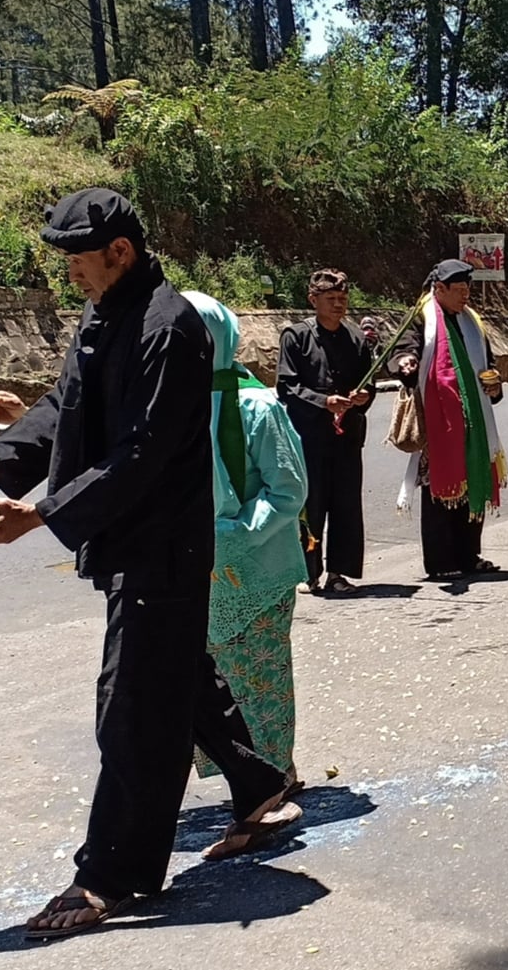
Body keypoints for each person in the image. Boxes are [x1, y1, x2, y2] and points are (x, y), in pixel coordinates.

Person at [0, 188, 301, 940]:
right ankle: (259, 784)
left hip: (163, 544)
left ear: (120, 252)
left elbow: (144, 453)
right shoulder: (106, 316)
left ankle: (110, 874)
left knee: (130, 705)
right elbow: (62, 408)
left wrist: (38, 514)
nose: (72, 276)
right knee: (173, 677)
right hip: (129, 540)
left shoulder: (170, 327)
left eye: (78, 262)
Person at [185, 291, 310, 787]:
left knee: (261, 681)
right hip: (201, 566)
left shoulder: (257, 407)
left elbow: (288, 489)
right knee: (217, 680)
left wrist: (236, 535)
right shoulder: (175, 407)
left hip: (257, 566)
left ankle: (274, 775)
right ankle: (252, 777)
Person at [390, 259, 508, 579]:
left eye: (467, 289)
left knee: (472, 483)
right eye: (458, 290)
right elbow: (403, 349)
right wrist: (405, 362)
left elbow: (489, 362)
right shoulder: (422, 318)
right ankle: (442, 563)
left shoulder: (473, 322)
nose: (465, 295)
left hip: (474, 419)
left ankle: (470, 556)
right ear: (438, 289)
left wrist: (495, 381)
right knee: (440, 488)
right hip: (439, 421)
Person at [278, 270, 376, 595]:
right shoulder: (295, 336)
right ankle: (308, 572)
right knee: (311, 504)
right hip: (309, 437)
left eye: (343, 300)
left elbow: (369, 382)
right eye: (331, 299)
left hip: (347, 436)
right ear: (313, 300)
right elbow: (287, 386)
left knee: (346, 505)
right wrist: (324, 402)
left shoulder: (356, 338)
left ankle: (338, 572)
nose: (338, 305)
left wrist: (363, 397)